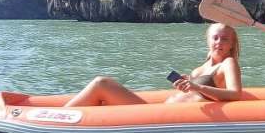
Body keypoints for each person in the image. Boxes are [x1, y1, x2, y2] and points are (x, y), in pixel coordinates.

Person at [64, 23, 242, 106]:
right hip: (162, 109)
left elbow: (235, 94)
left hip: (165, 116)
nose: (219, 42)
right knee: (101, 91)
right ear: (208, 40)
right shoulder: (200, 68)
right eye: (215, 37)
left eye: (225, 39)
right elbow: (197, 90)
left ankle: (62, 117)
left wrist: (196, 86)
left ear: (232, 44)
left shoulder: (228, 63)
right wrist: (188, 84)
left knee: (101, 83)